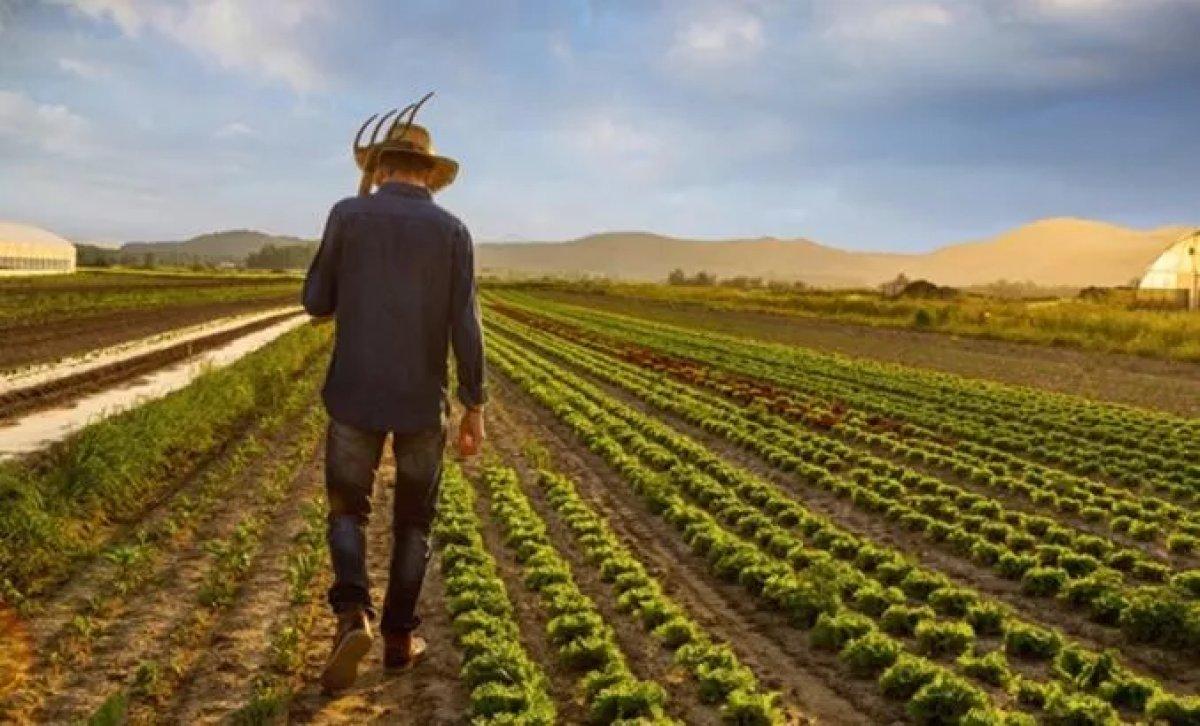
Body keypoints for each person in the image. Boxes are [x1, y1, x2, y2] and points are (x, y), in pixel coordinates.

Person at [302, 101, 485, 692]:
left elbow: (314, 301)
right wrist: (474, 405)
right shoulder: (453, 231)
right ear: (428, 174)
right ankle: (400, 640)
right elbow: (466, 326)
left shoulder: (347, 214)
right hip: (420, 404)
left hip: (354, 393)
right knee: (414, 523)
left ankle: (352, 613)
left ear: (380, 168)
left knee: (346, 510)